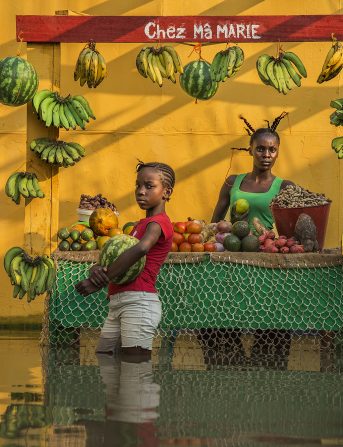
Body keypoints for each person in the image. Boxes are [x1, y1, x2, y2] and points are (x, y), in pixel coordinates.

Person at [75, 161, 175, 360]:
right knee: (105, 359)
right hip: (119, 302)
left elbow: (141, 249)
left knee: (134, 371)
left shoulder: (158, 223)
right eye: (138, 185)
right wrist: (96, 268)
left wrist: (99, 282)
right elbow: (116, 256)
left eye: (149, 186)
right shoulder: (139, 225)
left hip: (139, 303)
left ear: (166, 192)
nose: (140, 191)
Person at [211, 113, 294, 227]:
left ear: (278, 152)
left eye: (272, 150)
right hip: (233, 243)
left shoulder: (284, 187)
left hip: (266, 244)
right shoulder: (232, 182)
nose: (266, 155)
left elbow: (291, 228)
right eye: (260, 149)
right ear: (250, 150)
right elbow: (214, 225)